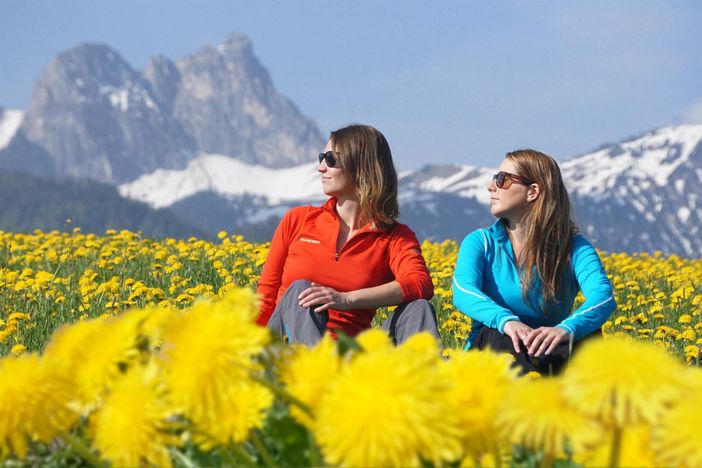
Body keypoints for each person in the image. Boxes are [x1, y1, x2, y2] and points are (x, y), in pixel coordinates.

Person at [256, 124, 440, 346]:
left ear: (362, 166)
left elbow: (420, 284)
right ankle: (317, 373)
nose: (321, 168)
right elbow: (265, 297)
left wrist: (346, 299)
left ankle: (428, 379)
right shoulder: (298, 220)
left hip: (351, 355)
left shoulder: (394, 237)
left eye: (331, 159)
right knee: (301, 290)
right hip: (285, 349)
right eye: (321, 158)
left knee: (418, 309)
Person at [452, 149, 616, 374]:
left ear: (533, 192)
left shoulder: (574, 247)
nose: (492, 187)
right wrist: (506, 321)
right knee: (502, 336)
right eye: (494, 179)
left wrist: (567, 329)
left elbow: (603, 297)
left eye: (503, 180)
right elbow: (462, 291)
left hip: (548, 350)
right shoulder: (480, 242)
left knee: (589, 334)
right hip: (494, 351)